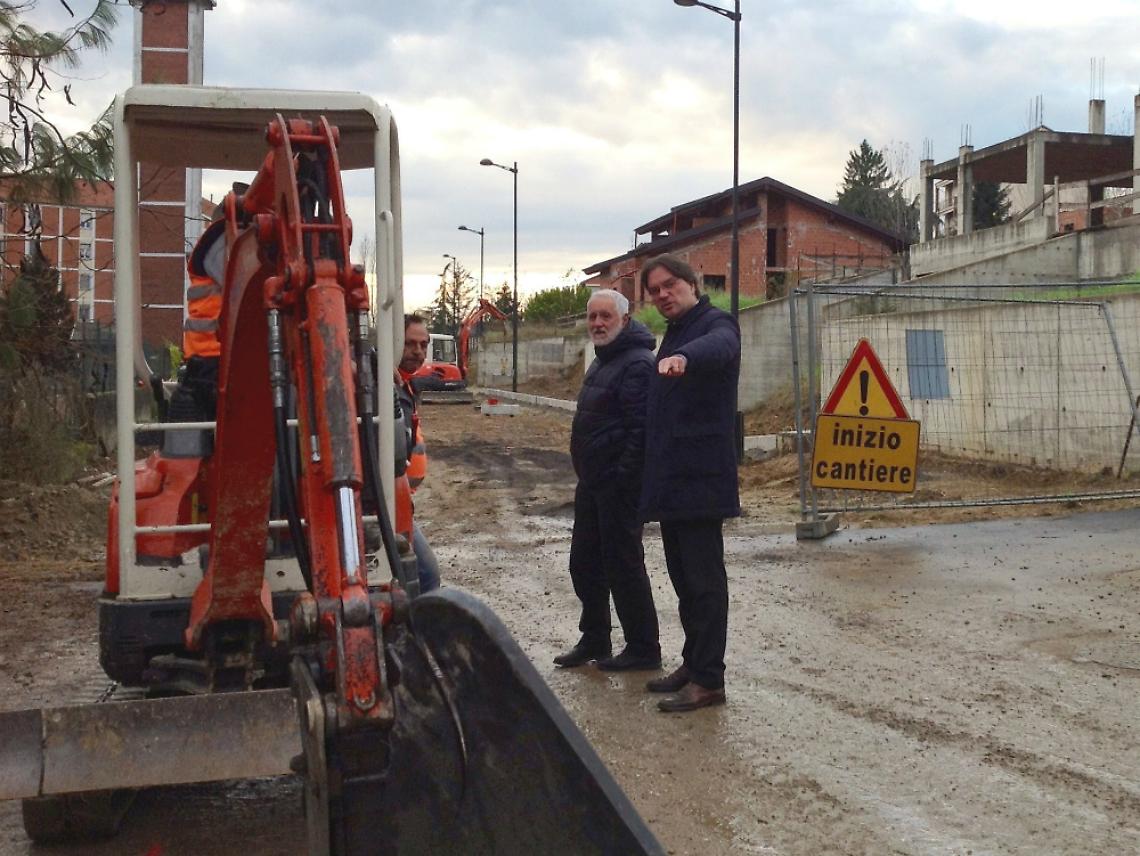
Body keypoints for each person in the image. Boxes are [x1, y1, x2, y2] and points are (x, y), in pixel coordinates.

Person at [638, 255, 740, 713]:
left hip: (701, 480)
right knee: (683, 581)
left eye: (669, 284)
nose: (662, 294)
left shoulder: (715, 324)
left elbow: (719, 347)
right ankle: (692, 663)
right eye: (654, 290)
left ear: (691, 282)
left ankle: (710, 680)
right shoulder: (676, 330)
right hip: (675, 480)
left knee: (704, 583)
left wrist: (684, 357)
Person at [555, 290, 661, 671]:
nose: (598, 323)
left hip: (618, 486)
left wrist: (622, 477)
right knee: (584, 563)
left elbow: (641, 431)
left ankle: (644, 647)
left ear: (625, 320)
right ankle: (596, 637)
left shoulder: (637, 364)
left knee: (624, 566)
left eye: (606, 317)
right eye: (593, 317)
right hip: (593, 482)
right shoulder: (603, 361)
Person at [395, 314, 440, 593]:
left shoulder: (404, 384)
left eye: (423, 345)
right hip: (389, 505)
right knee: (425, 576)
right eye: (410, 344)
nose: (418, 351)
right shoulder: (382, 384)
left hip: (401, 502)